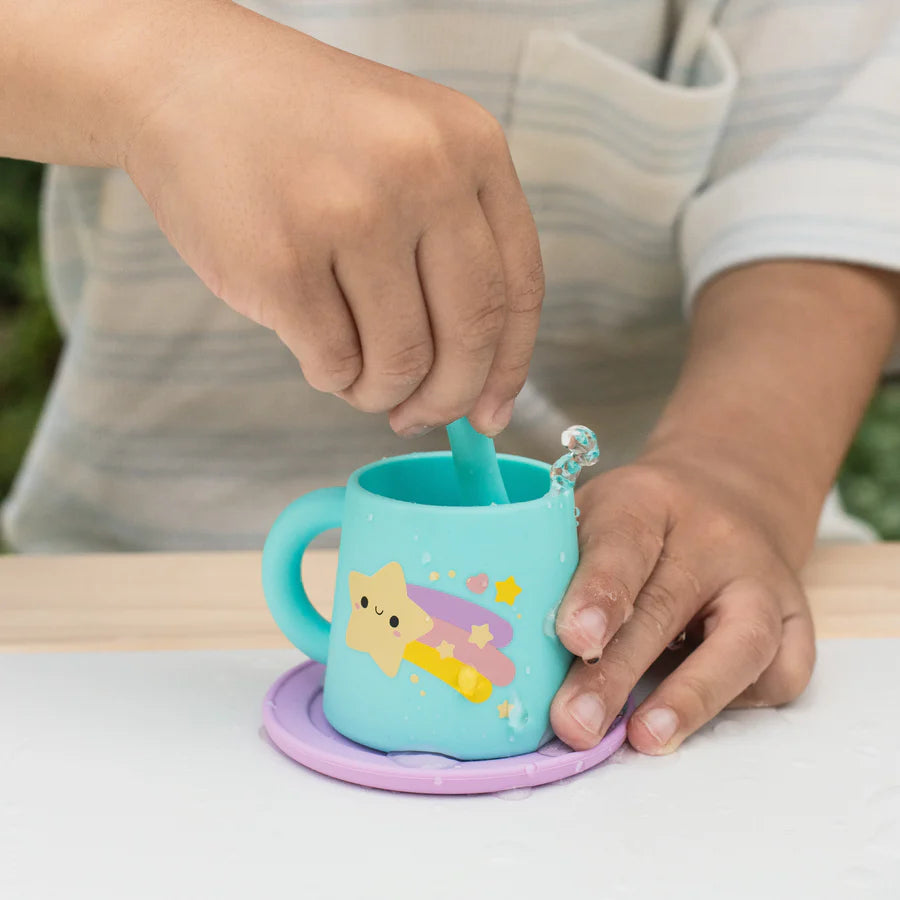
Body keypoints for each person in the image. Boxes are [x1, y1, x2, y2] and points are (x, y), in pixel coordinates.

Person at [2, 0, 898, 756]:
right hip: (114, 606)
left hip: (653, 600)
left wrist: (736, 471)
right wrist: (158, 68)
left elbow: (832, 156)